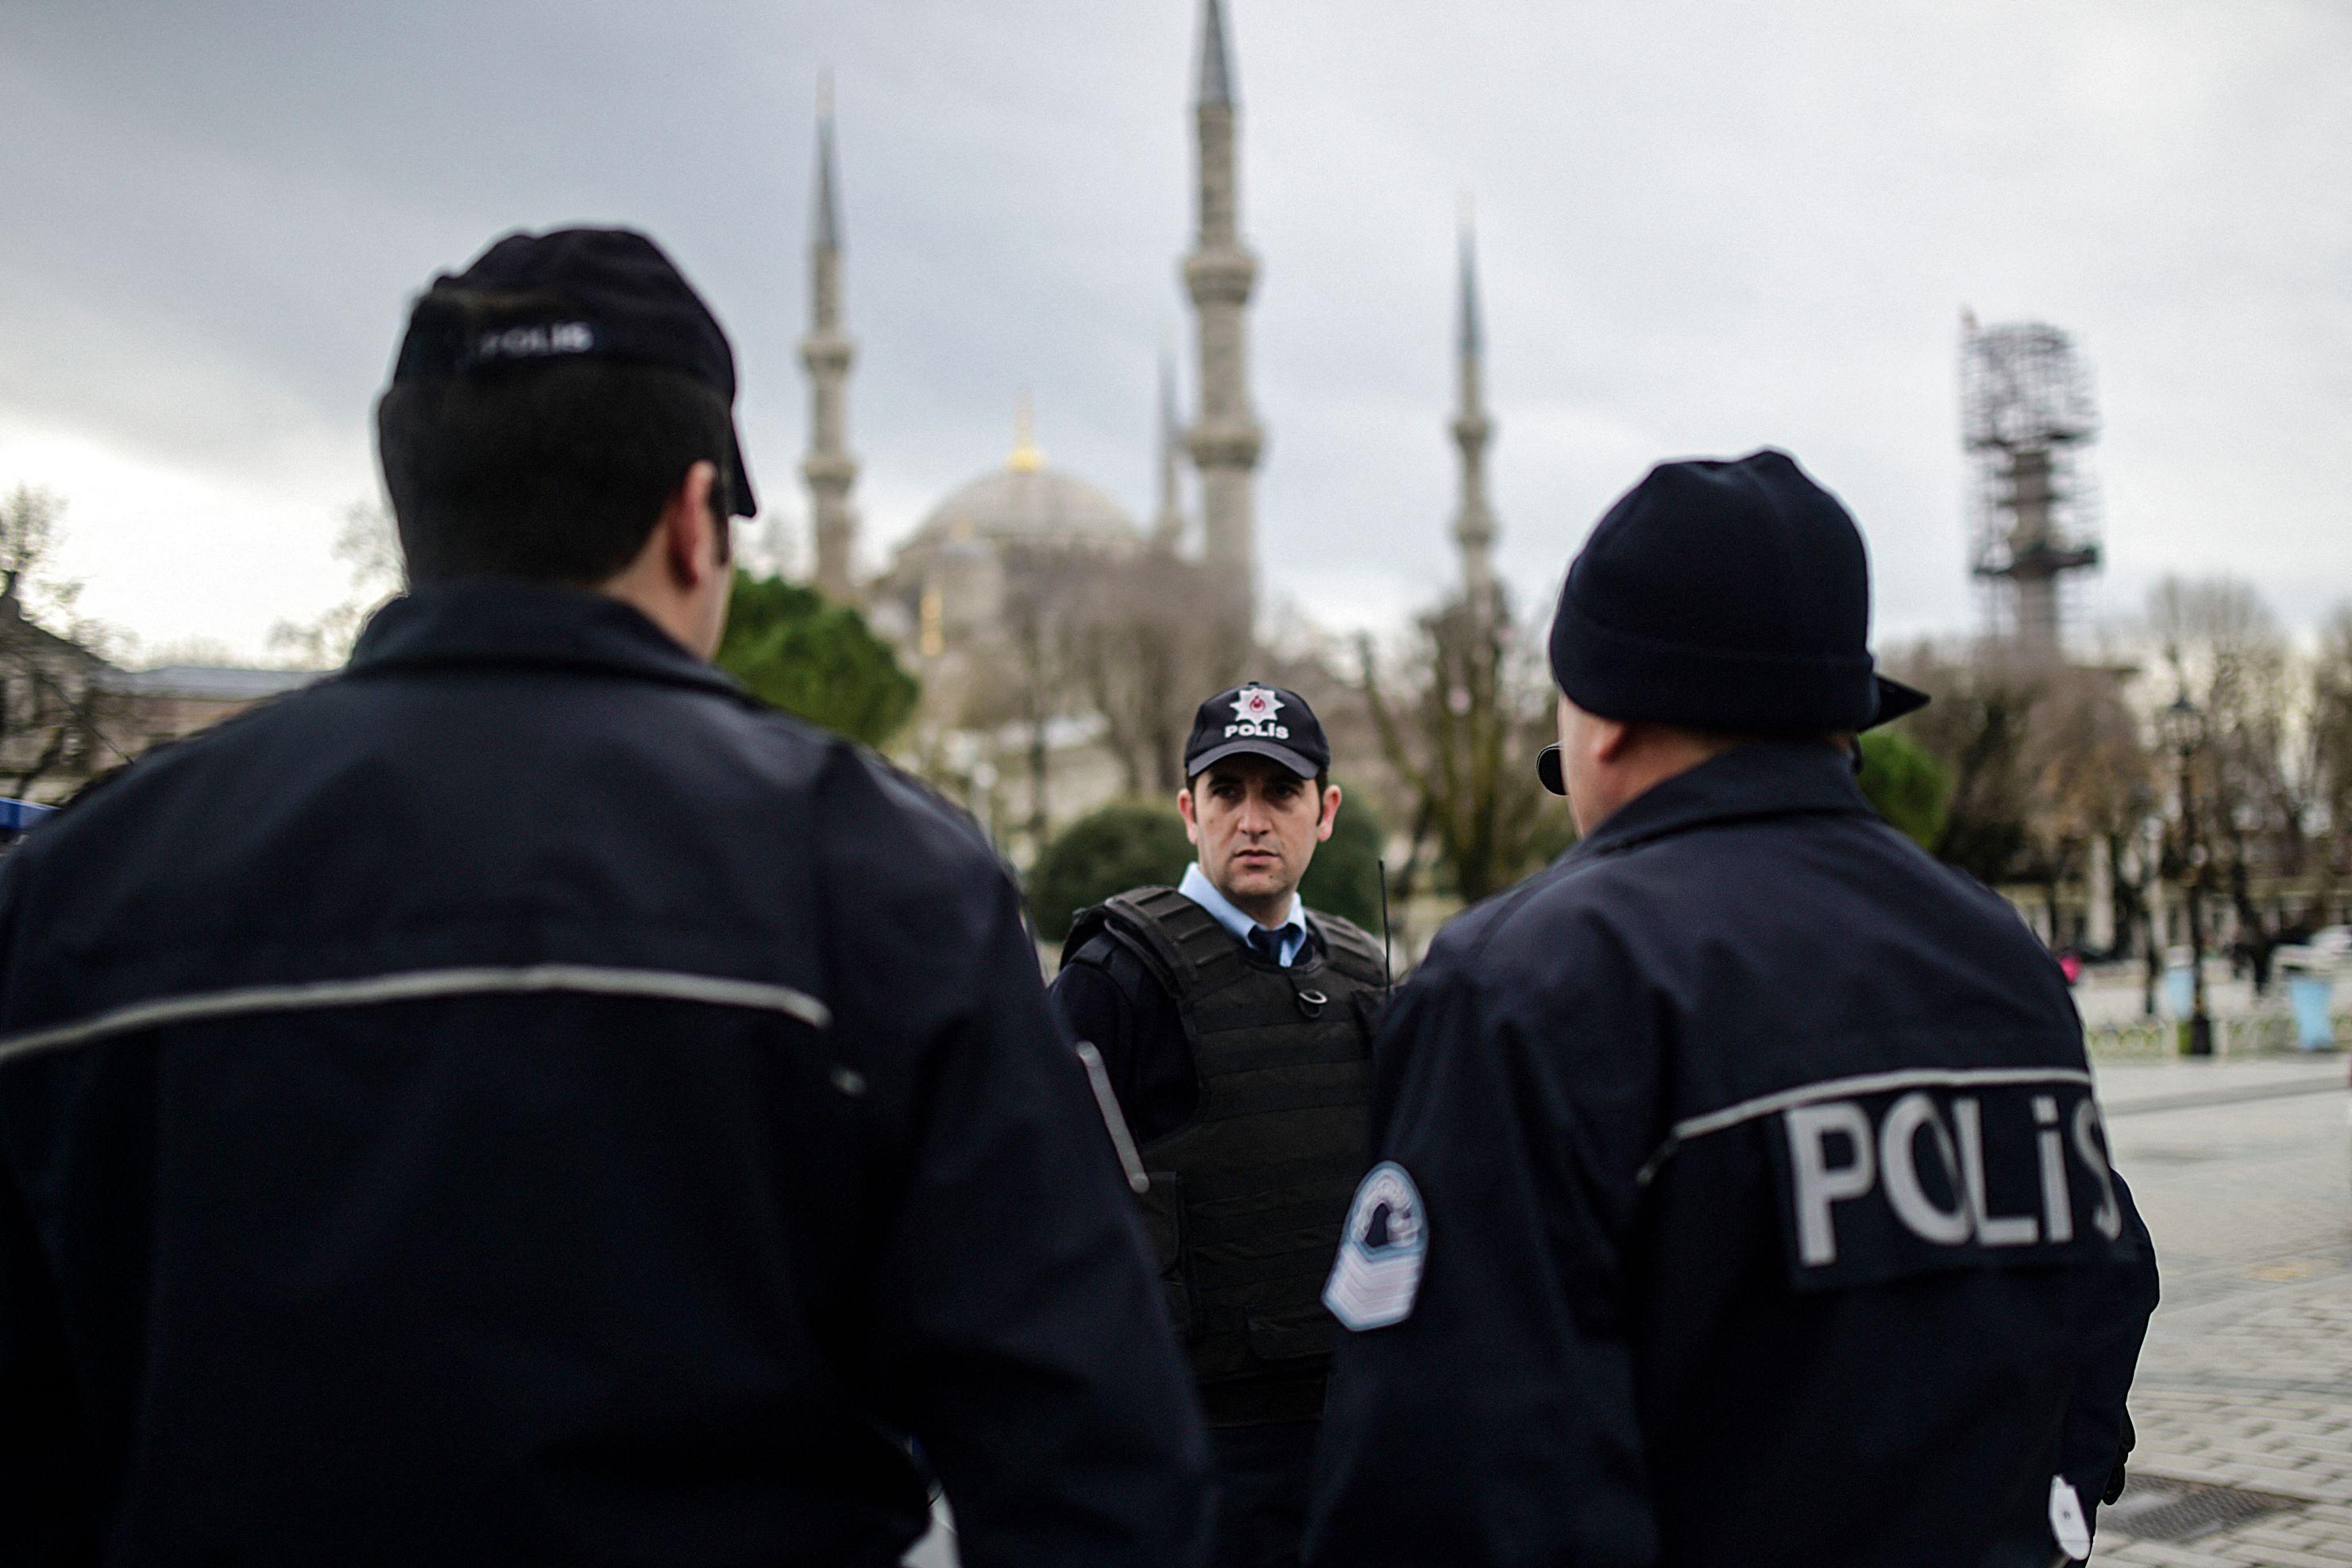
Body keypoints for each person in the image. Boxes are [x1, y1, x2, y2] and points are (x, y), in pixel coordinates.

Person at [0, 227, 1210, 1566]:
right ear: (695, 519)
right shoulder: (881, 875)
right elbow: (1093, 1459)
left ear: (417, 508)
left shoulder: (82, 887)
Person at [1304, 451, 2158, 1567]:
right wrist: (2053, 1508)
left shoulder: (1527, 982)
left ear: (1601, 719)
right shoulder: (1990, 948)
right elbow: (2102, 1288)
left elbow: (1442, 1473)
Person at [1051, 683, 1388, 1568]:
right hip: (1193, 1445)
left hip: (1353, 1438)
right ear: (1187, 809)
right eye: (1227, 791)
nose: (1252, 819)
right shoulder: (1114, 978)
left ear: (1326, 812)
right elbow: (1034, 1213)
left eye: (1280, 793)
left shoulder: (1369, 980)